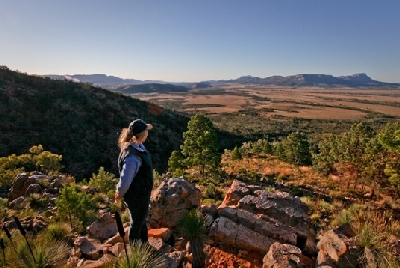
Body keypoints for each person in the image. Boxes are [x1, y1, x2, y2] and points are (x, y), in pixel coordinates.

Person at [115, 119, 154, 243]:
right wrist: (119, 193)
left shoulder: (136, 147)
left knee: (141, 220)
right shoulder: (132, 157)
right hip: (137, 196)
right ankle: (136, 253)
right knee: (136, 224)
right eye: (146, 131)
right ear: (142, 134)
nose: (147, 133)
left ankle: (145, 246)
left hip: (140, 193)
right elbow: (125, 180)